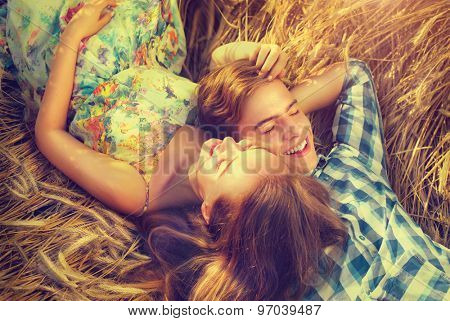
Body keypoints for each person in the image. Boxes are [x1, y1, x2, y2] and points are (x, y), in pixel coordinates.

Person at [5, 0, 348, 299]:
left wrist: (71, 37)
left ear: (208, 212)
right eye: (243, 149)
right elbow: (336, 78)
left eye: (231, 163)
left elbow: (49, 134)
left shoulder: (139, 190)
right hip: (139, 38)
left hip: (69, 54)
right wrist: (257, 66)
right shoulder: (224, 147)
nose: (226, 146)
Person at [197, 58, 450, 300]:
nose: (295, 130)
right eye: (269, 129)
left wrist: (253, 72)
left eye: (295, 110)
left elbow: (353, 74)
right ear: (236, 148)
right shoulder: (251, 236)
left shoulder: (350, 161)